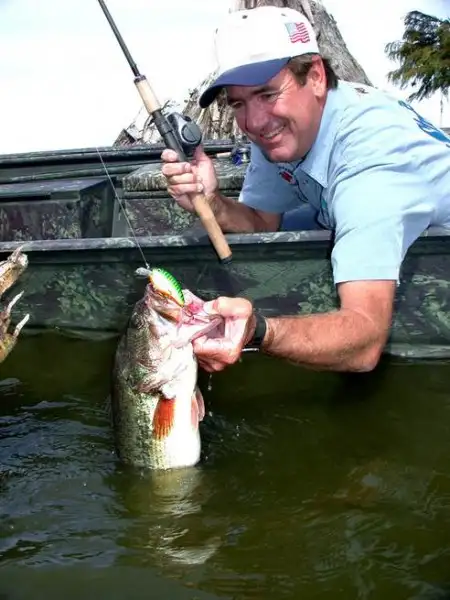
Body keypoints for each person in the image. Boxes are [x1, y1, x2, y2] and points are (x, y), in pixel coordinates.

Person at [161, 6, 450, 374]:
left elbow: (364, 341)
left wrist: (258, 330)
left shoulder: (374, 163)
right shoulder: (284, 129)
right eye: (238, 103)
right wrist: (211, 203)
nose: (253, 122)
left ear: (315, 76)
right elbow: (263, 222)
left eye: (267, 94)